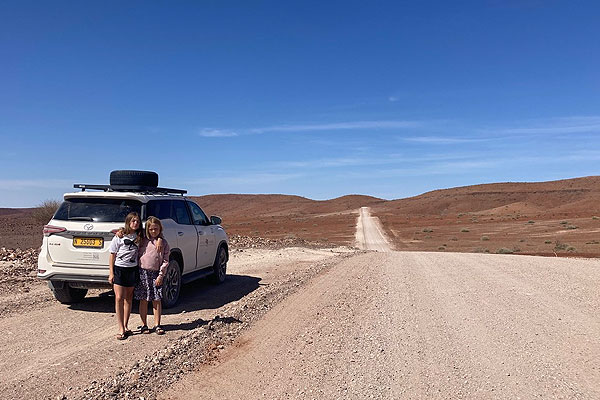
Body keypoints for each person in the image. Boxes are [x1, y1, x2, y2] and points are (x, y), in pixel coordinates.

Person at [109, 212, 142, 340]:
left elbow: (154, 234)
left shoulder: (140, 236)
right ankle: (120, 327)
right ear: (128, 222)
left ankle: (126, 325)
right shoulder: (120, 236)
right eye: (133, 221)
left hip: (132, 269)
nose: (135, 223)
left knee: (129, 298)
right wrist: (111, 272)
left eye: (137, 221)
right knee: (119, 298)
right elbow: (112, 254)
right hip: (119, 269)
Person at [134, 216, 169, 335]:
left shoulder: (163, 243)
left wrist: (161, 275)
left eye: (156, 229)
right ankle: (144, 325)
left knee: (157, 299)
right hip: (142, 272)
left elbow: (165, 260)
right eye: (151, 229)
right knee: (143, 299)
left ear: (160, 229)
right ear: (147, 229)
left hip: (156, 274)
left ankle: (157, 324)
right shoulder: (142, 240)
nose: (153, 231)